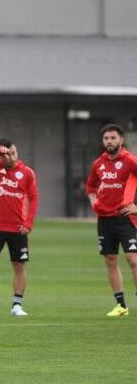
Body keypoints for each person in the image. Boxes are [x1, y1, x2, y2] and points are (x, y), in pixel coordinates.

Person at [0, 139, 39, 316]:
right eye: (7, 154)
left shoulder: (27, 173)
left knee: (19, 266)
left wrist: (29, 222)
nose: (11, 156)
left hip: (18, 228)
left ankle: (17, 305)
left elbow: (33, 198)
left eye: (14, 152)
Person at [85, 124, 137, 317]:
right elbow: (90, 186)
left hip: (125, 219)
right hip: (104, 220)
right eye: (106, 138)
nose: (110, 141)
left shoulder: (130, 161)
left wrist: (136, 208)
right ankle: (121, 305)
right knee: (110, 259)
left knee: (133, 259)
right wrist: (94, 203)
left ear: (121, 140)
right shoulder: (98, 164)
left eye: (113, 138)